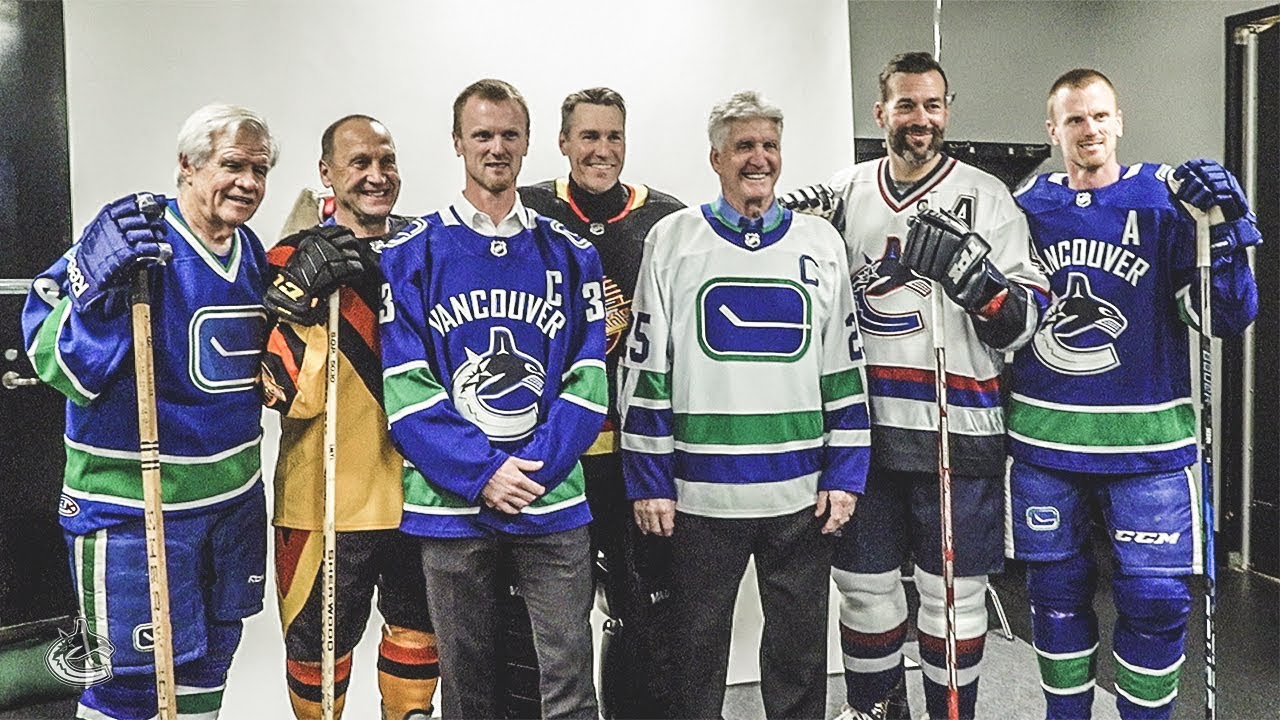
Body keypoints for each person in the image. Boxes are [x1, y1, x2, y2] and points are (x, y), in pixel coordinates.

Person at [781, 51, 1048, 720]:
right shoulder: (845, 190)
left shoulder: (988, 197)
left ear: (947, 110)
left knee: (949, 597)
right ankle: (875, 709)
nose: (919, 118)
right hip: (864, 434)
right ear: (881, 113)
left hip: (958, 432)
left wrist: (979, 283)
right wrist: (796, 232)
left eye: (931, 105)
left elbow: (1022, 326)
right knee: (864, 591)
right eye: (905, 105)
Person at [1007, 68, 1260, 720]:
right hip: (1046, 438)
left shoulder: (1166, 200)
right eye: (1073, 119)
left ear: (1118, 120)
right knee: (1056, 596)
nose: (1088, 130)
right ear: (1053, 130)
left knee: (1155, 600)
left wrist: (1225, 238)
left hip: (1148, 442)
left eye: (1098, 116)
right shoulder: (1026, 206)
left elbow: (1223, 318)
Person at [21, 103, 278, 720]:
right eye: (232, 165)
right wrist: (100, 296)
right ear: (187, 167)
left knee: (210, 658)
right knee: (128, 679)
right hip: (134, 504)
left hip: (234, 499)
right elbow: (47, 352)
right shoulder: (131, 239)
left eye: (260, 170)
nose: (248, 182)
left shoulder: (250, 251)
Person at [619, 90, 869, 720]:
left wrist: (846, 473)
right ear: (715, 158)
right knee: (696, 653)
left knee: (800, 653)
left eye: (769, 146)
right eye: (743, 147)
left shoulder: (821, 242)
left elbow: (843, 364)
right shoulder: (673, 239)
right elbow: (646, 366)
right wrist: (649, 480)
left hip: (802, 494)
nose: (758, 159)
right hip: (700, 495)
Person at [378, 79, 605, 720]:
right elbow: (406, 387)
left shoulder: (570, 253)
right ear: (458, 143)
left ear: (529, 142)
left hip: (550, 497)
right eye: (482, 134)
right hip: (450, 503)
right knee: (468, 685)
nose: (496, 147)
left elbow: (588, 379)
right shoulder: (412, 252)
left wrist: (527, 473)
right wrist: (482, 474)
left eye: (509, 134)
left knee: (568, 675)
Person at [260, 115, 439, 720]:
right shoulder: (285, 257)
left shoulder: (427, 249)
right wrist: (298, 299)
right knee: (317, 655)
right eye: (359, 163)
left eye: (386, 162)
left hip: (423, 492)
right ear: (327, 173)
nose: (376, 176)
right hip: (323, 497)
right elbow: (278, 391)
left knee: (420, 638)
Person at [519, 86, 684, 719]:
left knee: (644, 608)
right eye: (588, 137)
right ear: (563, 143)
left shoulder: (664, 218)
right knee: (546, 617)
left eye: (613, 136)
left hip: (635, 452)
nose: (602, 150)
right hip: (552, 450)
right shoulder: (526, 210)